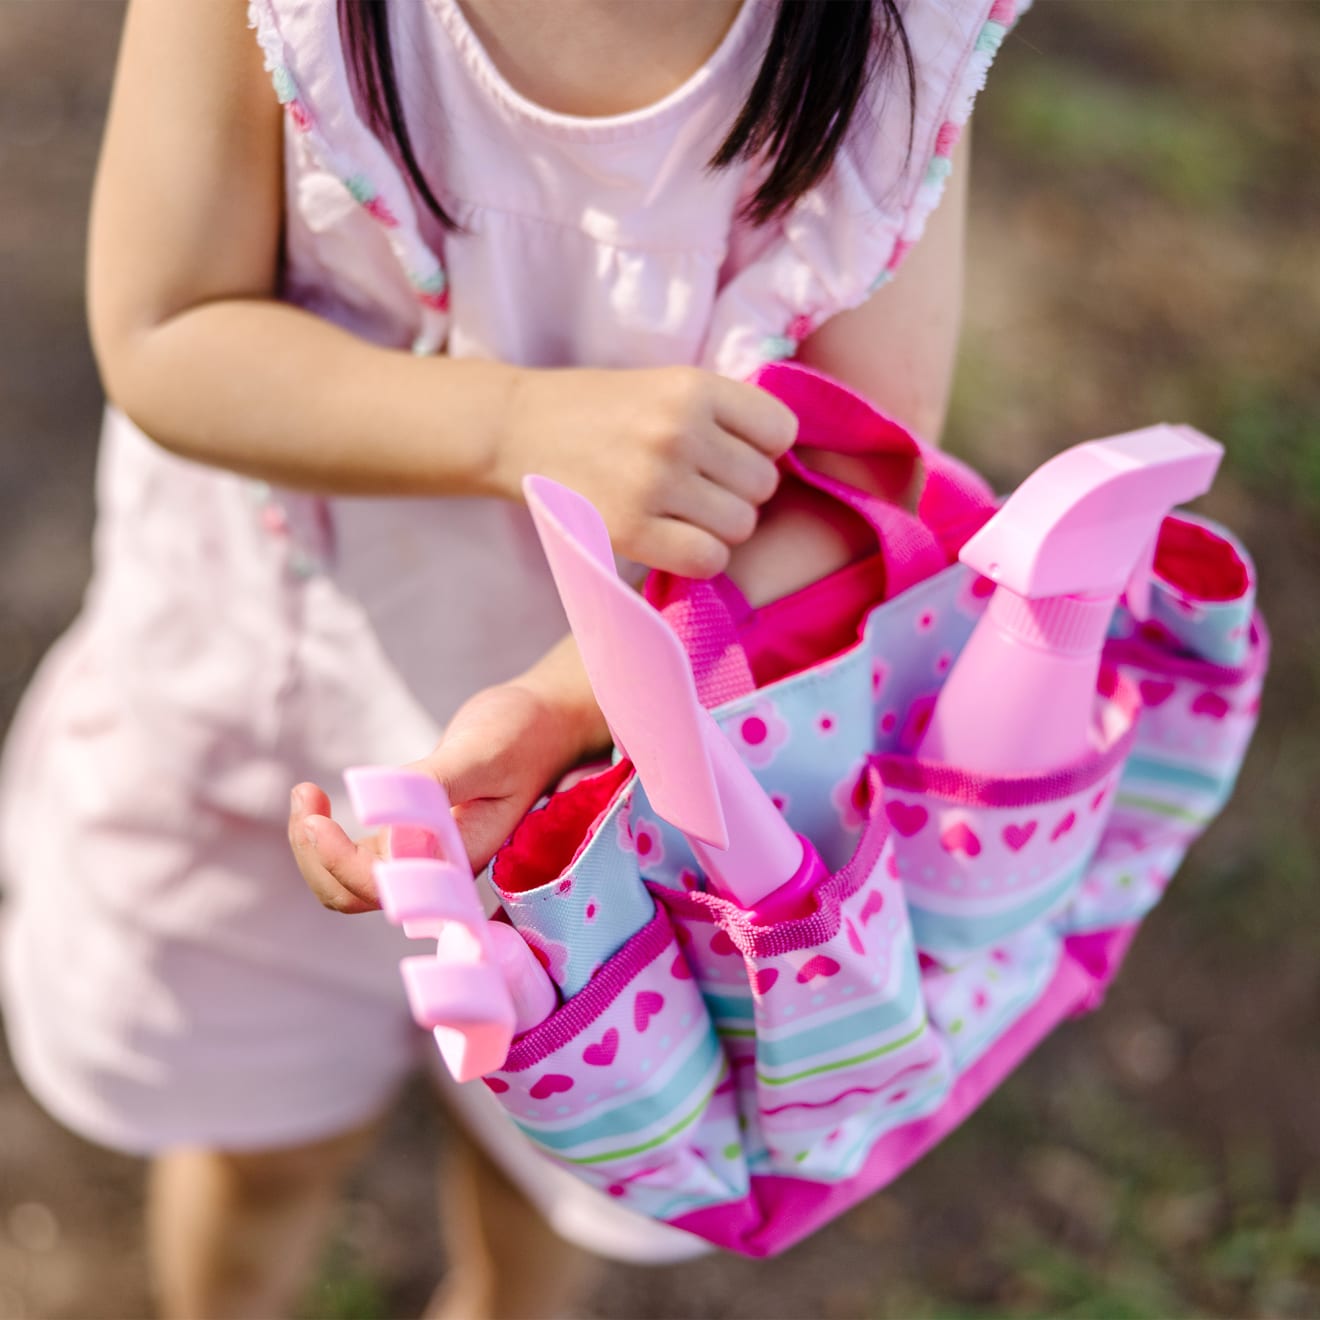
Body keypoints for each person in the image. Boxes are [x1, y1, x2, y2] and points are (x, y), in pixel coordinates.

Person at [0, 0, 1023, 1315]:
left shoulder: (886, 35)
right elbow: (166, 330)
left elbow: (845, 469)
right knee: (261, 1151)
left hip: (606, 799)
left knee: (549, 1174)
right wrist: (518, 423)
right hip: (264, 716)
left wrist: (561, 709)